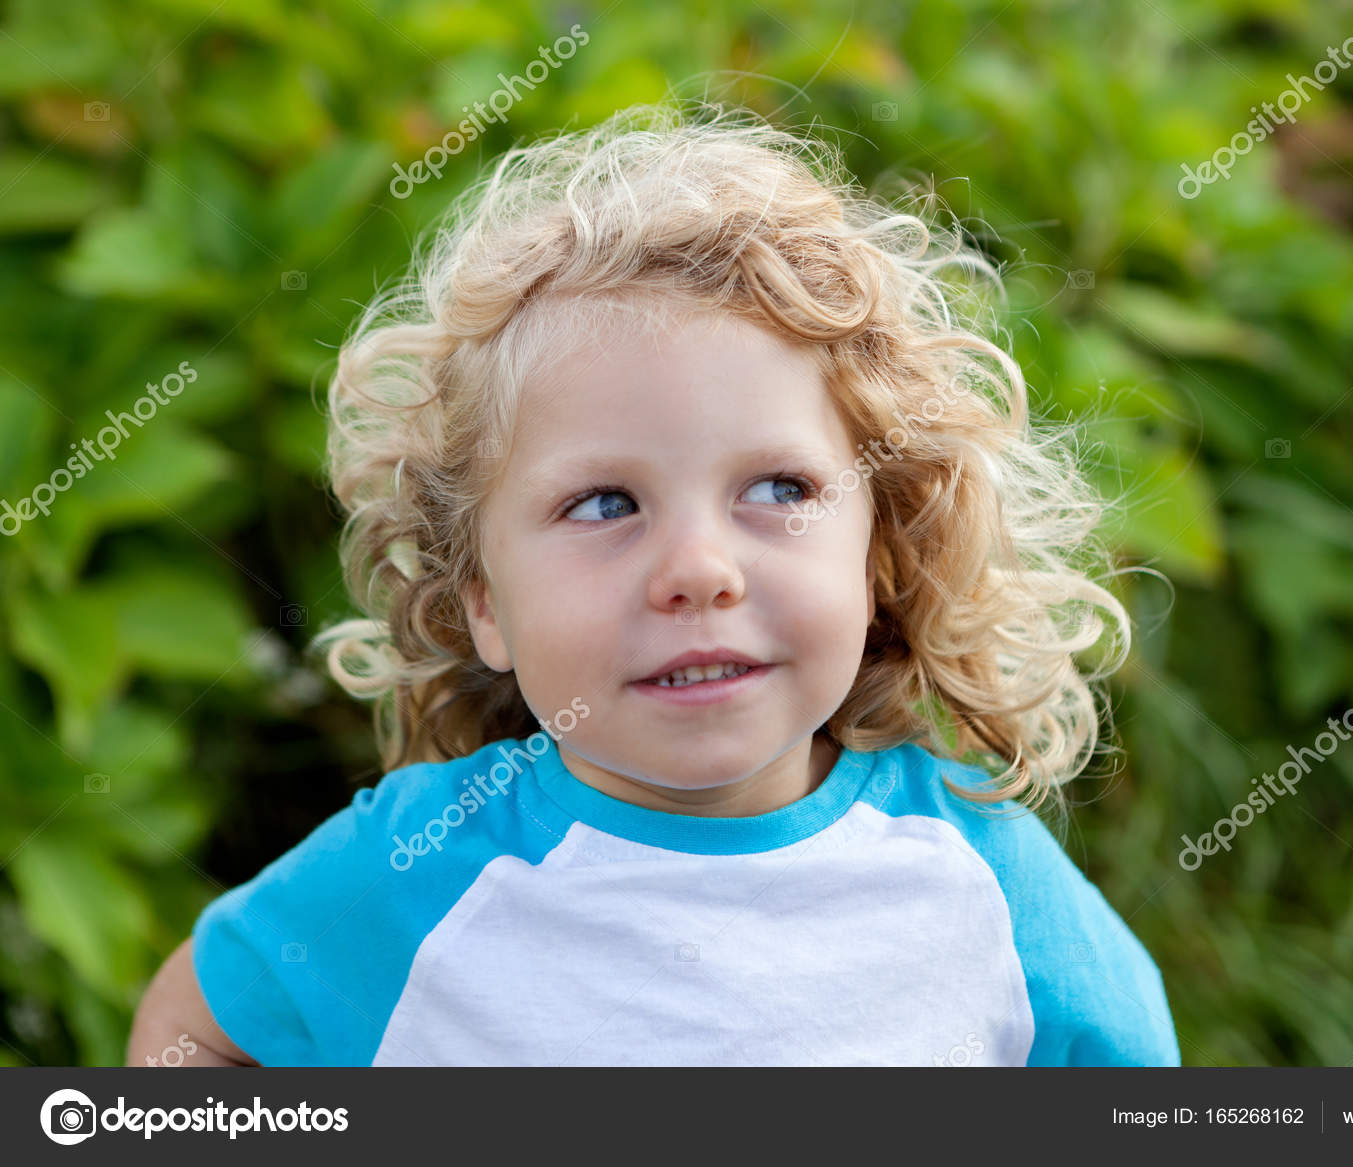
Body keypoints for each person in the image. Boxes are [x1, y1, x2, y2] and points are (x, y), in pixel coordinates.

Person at [126, 98, 1180, 1067]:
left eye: (775, 487)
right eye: (603, 506)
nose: (698, 572)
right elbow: (193, 1039)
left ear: (879, 553)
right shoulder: (416, 873)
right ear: (483, 599)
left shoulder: (979, 874)